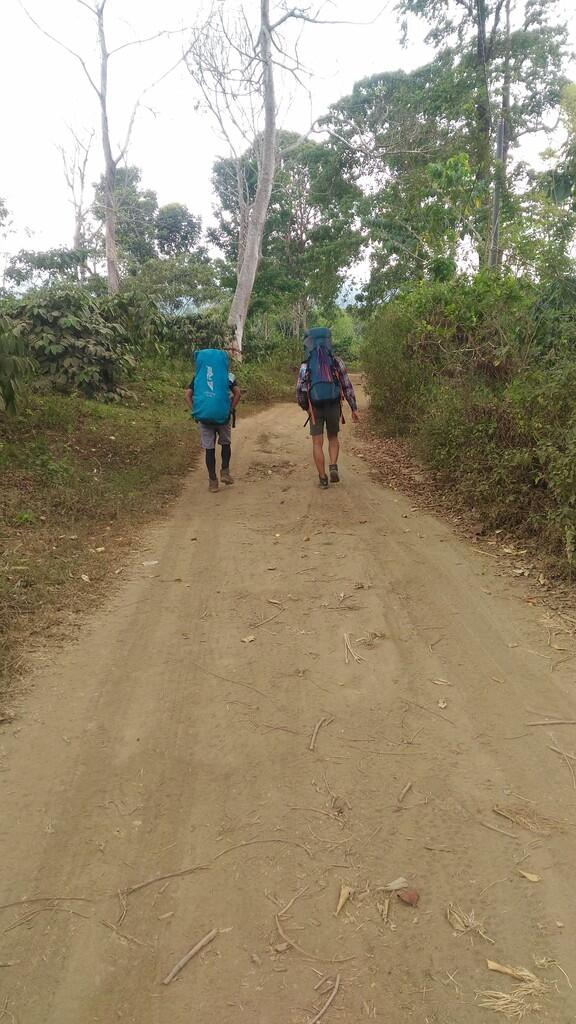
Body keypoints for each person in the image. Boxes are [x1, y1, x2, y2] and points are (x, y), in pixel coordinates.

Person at [296, 327, 359, 488]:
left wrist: (307, 407)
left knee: (317, 442)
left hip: (315, 406)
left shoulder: (306, 364)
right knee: (333, 437)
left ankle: (323, 479)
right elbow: (347, 386)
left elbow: (300, 390)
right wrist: (353, 408)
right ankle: (333, 466)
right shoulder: (336, 361)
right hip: (333, 404)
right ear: (328, 341)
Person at [185, 349, 241, 492]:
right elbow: (237, 393)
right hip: (223, 416)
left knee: (209, 449)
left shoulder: (198, 377)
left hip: (204, 418)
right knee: (225, 443)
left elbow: (187, 395)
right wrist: (230, 409)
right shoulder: (228, 376)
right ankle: (225, 472)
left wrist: (196, 411)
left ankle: (213, 481)